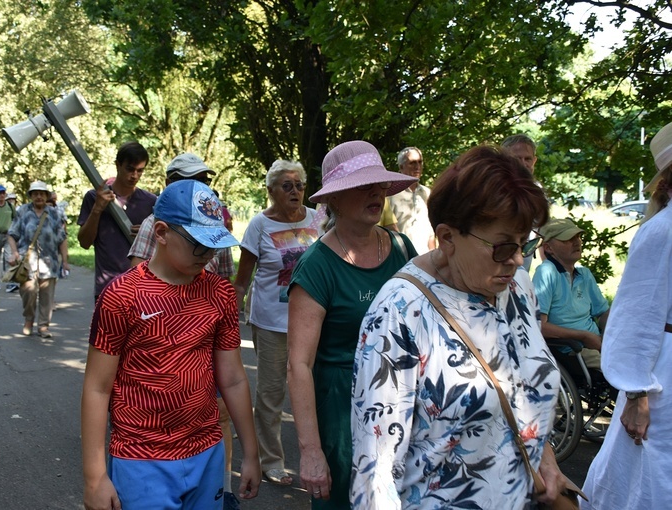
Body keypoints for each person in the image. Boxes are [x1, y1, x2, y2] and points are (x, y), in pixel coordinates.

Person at [350, 145, 568, 508]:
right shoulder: (400, 312)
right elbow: (377, 474)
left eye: (525, 244)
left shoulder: (517, 288)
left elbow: (520, 392)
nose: (516, 260)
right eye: (501, 247)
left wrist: (544, 457)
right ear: (448, 237)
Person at [81, 180, 260, 510]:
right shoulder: (122, 297)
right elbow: (97, 387)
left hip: (207, 451)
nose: (207, 256)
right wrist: (95, 476)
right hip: (141, 458)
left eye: (214, 245)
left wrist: (251, 452)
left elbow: (233, 378)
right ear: (161, 233)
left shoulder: (219, 294)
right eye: (197, 245)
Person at [287, 140, 418, 508]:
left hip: (402, 403)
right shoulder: (317, 266)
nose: (376, 191)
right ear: (336, 200)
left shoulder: (403, 249)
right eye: (363, 185)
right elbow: (298, 365)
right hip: (342, 413)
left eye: (379, 184)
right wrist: (311, 451)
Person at [127, 153, 243, 509]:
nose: (199, 184)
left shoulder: (215, 226)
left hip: (210, 336)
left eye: (204, 178)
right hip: (164, 349)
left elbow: (220, 275)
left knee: (218, 412)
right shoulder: (156, 224)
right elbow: (140, 279)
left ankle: (217, 487)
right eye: (185, 178)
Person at [580, 121, 672, 509]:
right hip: (661, 379)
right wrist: (636, 393)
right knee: (649, 476)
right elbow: (634, 315)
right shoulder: (663, 230)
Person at [233, 160, 320, 489]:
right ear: (271, 191)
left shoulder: (319, 220)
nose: (296, 191)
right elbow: (242, 281)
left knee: (315, 388)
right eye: (287, 185)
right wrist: (229, 310)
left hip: (312, 321)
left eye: (299, 185)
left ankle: (318, 455)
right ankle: (272, 461)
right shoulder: (258, 225)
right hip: (271, 322)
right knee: (270, 394)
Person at [78, 141, 157, 299]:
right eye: (130, 169)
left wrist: (148, 233)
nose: (134, 175)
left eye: (140, 171)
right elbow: (84, 242)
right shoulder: (94, 197)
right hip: (107, 287)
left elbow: (163, 245)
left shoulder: (151, 202)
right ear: (118, 165)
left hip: (141, 289)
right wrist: (97, 209)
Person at [532, 218, 609, 370]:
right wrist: (583, 336)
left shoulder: (584, 274)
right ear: (548, 247)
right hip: (571, 350)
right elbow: (539, 326)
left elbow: (604, 312)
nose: (577, 242)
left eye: (578, 237)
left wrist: (609, 337)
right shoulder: (546, 272)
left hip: (595, 345)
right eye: (568, 239)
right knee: (619, 368)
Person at [8, 181, 69, 338]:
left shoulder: (54, 214)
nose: (39, 197)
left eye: (42, 194)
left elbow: (62, 238)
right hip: (27, 261)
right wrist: (14, 253)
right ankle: (29, 319)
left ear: (47, 196)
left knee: (47, 296)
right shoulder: (22, 211)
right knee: (28, 291)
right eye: (35, 194)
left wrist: (65, 261)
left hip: (50, 262)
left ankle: (43, 326)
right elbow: (12, 234)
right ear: (30, 196)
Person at [380, 147, 435, 254]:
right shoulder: (391, 195)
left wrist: (433, 253)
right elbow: (386, 229)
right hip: (402, 256)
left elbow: (430, 229)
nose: (417, 167)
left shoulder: (426, 193)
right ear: (401, 167)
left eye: (420, 162)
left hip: (426, 256)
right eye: (412, 163)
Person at [502, 134, 541, 271]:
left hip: (522, 270)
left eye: (528, 159)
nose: (523, 163)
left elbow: (543, 233)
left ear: (534, 161)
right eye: (517, 158)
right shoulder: (490, 190)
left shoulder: (538, 193)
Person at [0, 184, 17, 290]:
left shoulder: (10, 206)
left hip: (8, 235)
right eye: (0, 193)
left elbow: (16, 219)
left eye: (3, 193)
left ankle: (9, 282)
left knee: (9, 258)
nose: (2, 195)